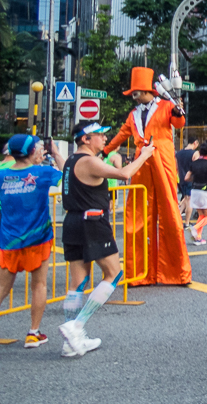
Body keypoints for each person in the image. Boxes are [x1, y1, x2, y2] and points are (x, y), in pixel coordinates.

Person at [59, 122, 157, 357]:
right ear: (85, 139)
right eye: (99, 135)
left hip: (72, 222)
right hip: (92, 222)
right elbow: (124, 174)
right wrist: (144, 154)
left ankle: (70, 342)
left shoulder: (71, 161)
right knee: (114, 274)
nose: (105, 139)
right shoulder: (90, 161)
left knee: (77, 283)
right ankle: (76, 326)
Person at [102, 67, 190, 285]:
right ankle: (139, 272)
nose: (133, 97)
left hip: (163, 162)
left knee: (170, 213)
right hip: (142, 162)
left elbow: (179, 123)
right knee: (137, 214)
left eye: (135, 93)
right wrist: (103, 152)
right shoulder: (133, 115)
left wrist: (179, 112)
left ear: (145, 91)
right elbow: (121, 135)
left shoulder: (167, 105)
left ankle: (176, 272)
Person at [0, 135, 65, 348]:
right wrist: (56, 153)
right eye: (37, 148)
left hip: (9, 240)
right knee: (39, 285)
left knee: (2, 287)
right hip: (39, 238)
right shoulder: (43, 173)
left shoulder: (2, 175)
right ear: (30, 152)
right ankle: (33, 332)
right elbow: (68, 175)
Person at [184, 143, 207, 245]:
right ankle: (194, 228)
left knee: (202, 215)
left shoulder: (194, 163)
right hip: (205, 190)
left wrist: (196, 178)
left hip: (195, 190)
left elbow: (186, 178)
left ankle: (198, 238)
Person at [176, 138, 200, 226]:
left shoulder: (178, 154)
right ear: (195, 142)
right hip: (191, 179)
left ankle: (177, 219)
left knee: (185, 199)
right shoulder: (194, 153)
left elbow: (176, 167)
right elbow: (197, 167)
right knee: (189, 200)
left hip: (181, 178)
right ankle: (186, 222)